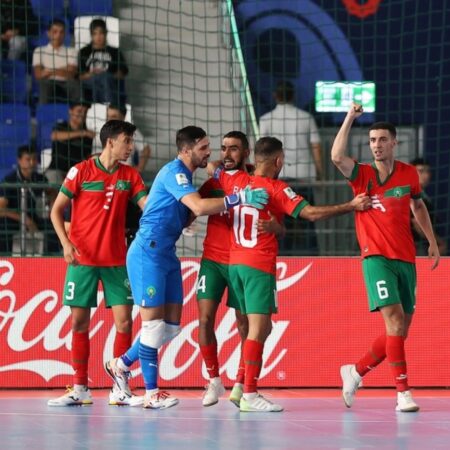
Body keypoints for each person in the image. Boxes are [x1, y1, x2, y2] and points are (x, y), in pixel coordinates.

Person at [105, 126, 269, 410]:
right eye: (204, 147)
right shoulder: (175, 173)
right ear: (186, 150)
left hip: (166, 254)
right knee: (153, 327)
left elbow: (188, 208)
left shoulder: (188, 176)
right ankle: (151, 393)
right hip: (147, 253)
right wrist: (239, 198)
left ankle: (119, 366)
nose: (209, 152)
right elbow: (199, 205)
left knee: (169, 329)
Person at [215, 136, 370, 412]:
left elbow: (215, 169)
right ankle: (250, 394)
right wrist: (351, 205)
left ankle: (239, 387)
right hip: (258, 265)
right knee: (258, 329)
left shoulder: (235, 181)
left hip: (234, 264)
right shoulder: (277, 188)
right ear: (278, 161)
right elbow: (309, 213)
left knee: (260, 329)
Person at [331, 103, 440, 413]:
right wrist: (350, 117)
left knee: (400, 330)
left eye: (381, 140)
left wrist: (431, 241)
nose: (376, 145)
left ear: (395, 142)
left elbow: (417, 207)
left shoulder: (408, 174)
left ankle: (355, 371)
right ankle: (403, 392)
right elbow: (337, 156)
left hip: (406, 258)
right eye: (372, 141)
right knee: (393, 321)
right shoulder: (361, 174)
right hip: (375, 257)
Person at [47, 120, 148, 407]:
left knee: (125, 322)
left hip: (117, 261)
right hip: (82, 261)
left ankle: (120, 388)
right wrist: (66, 244)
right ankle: (80, 387)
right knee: (79, 323)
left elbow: (147, 205)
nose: (131, 147)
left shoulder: (130, 175)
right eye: (127, 141)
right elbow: (56, 211)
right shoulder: (81, 171)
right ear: (110, 142)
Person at [196, 131, 283, 408]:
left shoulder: (257, 184)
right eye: (223, 148)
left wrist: (274, 227)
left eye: (234, 149)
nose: (226, 154)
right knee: (205, 320)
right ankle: (213, 379)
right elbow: (193, 205)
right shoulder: (217, 180)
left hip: (239, 261)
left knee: (246, 324)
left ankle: (241, 384)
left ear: (247, 153)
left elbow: (280, 223)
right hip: (212, 259)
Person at [259, 80, 323, 255]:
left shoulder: (266, 119)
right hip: (303, 175)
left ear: (275, 96)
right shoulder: (306, 117)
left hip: (277, 178)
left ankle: (283, 258)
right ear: (293, 96)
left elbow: (262, 151)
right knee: (307, 221)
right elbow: (316, 146)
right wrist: (320, 173)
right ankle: (312, 258)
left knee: (280, 223)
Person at [0, 145, 58, 254]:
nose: (31, 163)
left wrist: (53, 206)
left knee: (55, 225)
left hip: (34, 217)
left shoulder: (40, 178)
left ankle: (52, 258)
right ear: (19, 161)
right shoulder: (9, 180)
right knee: (3, 227)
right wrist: (24, 219)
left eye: (34, 159)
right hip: (14, 219)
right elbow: (1, 209)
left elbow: (53, 193)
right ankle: (4, 258)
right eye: (28, 159)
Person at [78, 19, 128, 104]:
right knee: (97, 82)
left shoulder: (115, 52)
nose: (98, 37)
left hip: (110, 81)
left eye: (101, 33)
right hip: (90, 81)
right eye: (95, 34)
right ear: (91, 35)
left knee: (104, 79)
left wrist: (107, 75)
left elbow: (123, 72)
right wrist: (93, 73)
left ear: (106, 33)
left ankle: (99, 107)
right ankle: (107, 105)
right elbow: (79, 76)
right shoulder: (84, 52)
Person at [45, 101, 95, 185]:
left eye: (85, 112)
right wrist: (81, 133)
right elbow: (54, 135)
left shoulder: (87, 136)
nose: (82, 115)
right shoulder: (61, 126)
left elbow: (86, 158)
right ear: (70, 111)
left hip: (75, 174)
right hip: (56, 171)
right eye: (79, 111)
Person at [32, 19, 80, 104]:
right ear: (48, 33)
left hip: (67, 82)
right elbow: (38, 74)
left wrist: (48, 71)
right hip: (47, 82)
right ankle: (43, 114)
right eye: (55, 32)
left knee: (75, 85)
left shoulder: (72, 51)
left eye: (61, 32)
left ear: (65, 34)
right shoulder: (39, 51)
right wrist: (64, 69)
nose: (58, 35)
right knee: (45, 85)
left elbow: (71, 73)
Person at [410, 158, 446, 256]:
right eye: (421, 171)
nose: (426, 175)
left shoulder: (423, 196)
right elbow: (418, 224)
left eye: (427, 171)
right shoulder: (411, 195)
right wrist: (437, 242)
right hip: (416, 247)